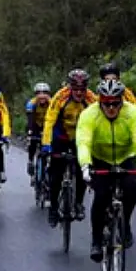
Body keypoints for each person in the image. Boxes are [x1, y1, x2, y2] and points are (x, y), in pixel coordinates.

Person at [77, 79, 136, 262]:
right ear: (99, 102)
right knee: (101, 196)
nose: (111, 108)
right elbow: (83, 142)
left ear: (122, 101)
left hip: (126, 156)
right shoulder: (89, 115)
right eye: (106, 103)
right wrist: (85, 165)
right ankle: (96, 240)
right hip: (99, 158)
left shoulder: (132, 113)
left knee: (131, 191)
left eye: (115, 103)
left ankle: (124, 223)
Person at [41, 68, 97, 227]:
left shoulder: (92, 99)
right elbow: (49, 121)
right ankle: (53, 208)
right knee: (56, 175)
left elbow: (100, 121)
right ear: (70, 87)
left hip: (81, 138)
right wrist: (46, 144)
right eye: (76, 89)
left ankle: (79, 203)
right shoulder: (60, 97)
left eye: (82, 89)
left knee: (82, 171)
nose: (79, 93)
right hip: (61, 136)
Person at [25, 82, 52, 183]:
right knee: (32, 143)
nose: (42, 95)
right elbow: (30, 120)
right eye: (39, 93)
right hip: (35, 125)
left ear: (48, 94)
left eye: (45, 93)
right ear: (35, 95)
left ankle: (48, 170)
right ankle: (31, 161)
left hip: (47, 126)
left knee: (48, 150)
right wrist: (30, 133)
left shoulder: (52, 103)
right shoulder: (31, 103)